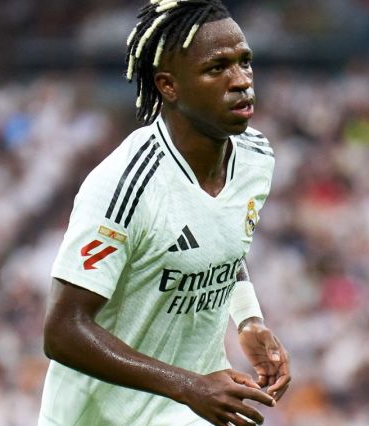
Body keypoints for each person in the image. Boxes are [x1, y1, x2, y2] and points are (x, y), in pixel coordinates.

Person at [39, 1, 290, 425]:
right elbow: (62, 331)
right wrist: (188, 385)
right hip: (101, 417)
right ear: (169, 86)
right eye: (217, 68)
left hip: (189, 409)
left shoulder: (256, 156)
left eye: (244, 61)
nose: (241, 80)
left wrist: (249, 320)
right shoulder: (125, 185)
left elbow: (221, 239)